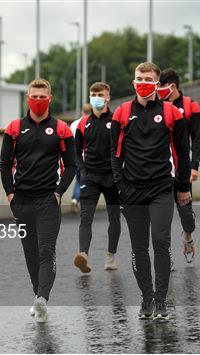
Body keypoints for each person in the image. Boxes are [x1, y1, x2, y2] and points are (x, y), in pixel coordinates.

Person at [110, 62, 190, 320]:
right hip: (132, 191)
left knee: (161, 241)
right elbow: (114, 154)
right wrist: (120, 186)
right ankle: (146, 299)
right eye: (138, 78)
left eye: (147, 78)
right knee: (139, 248)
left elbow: (181, 154)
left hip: (161, 189)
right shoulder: (121, 113)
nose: (142, 82)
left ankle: (161, 300)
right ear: (133, 81)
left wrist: (183, 187)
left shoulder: (171, 112)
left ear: (157, 83)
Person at [0, 78, 76, 322]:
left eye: (43, 97)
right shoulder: (14, 128)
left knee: (46, 251)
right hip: (21, 199)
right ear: (28, 98)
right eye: (35, 96)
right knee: (30, 252)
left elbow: (72, 166)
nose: (39, 100)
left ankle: (43, 298)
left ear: (50, 98)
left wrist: (59, 191)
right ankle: (37, 295)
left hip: (47, 199)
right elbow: (4, 164)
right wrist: (10, 193)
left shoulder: (62, 129)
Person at [73, 82, 121, 273]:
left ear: (108, 96)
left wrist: (121, 174)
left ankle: (111, 257)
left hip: (113, 178)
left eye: (100, 94)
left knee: (114, 218)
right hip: (90, 178)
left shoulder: (117, 120)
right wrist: (83, 172)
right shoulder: (83, 123)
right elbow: (76, 153)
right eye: (93, 94)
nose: (96, 97)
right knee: (86, 218)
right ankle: (83, 254)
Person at [158, 68, 200, 264]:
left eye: (159, 86)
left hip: (182, 169)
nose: (155, 90)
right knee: (162, 216)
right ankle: (165, 255)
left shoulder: (190, 106)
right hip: (161, 171)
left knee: (186, 215)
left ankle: (188, 237)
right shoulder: (157, 107)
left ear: (171, 86)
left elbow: (197, 138)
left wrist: (195, 165)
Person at [70, 104, 93, 212]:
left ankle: (75, 199)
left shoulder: (74, 124)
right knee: (90, 183)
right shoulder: (93, 123)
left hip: (77, 157)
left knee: (79, 180)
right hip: (90, 158)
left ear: (82, 111)